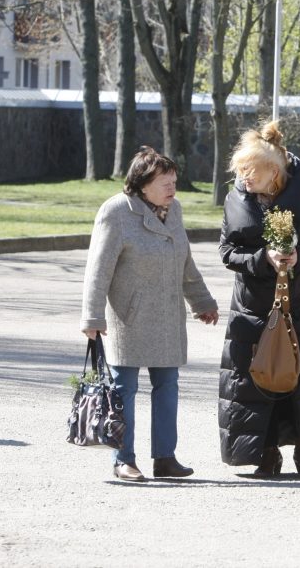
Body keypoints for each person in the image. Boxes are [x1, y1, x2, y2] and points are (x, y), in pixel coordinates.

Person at [80, 147, 219, 482]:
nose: (172, 188)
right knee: (124, 389)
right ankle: (123, 458)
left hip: (168, 316)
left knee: (167, 385)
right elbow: (98, 270)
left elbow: (186, 263)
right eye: (164, 182)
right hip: (129, 317)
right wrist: (92, 317)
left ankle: (165, 458)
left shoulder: (174, 211)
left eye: (174, 181)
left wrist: (202, 301)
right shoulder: (116, 211)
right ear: (142, 184)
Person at [217, 121, 300, 478]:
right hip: (253, 307)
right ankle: (265, 453)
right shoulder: (236, 196)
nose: (243, 177)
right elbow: (227, 251)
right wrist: (261, 259)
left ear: (274, 171)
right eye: (240, 170)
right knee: (255, 379)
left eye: (249, 170)